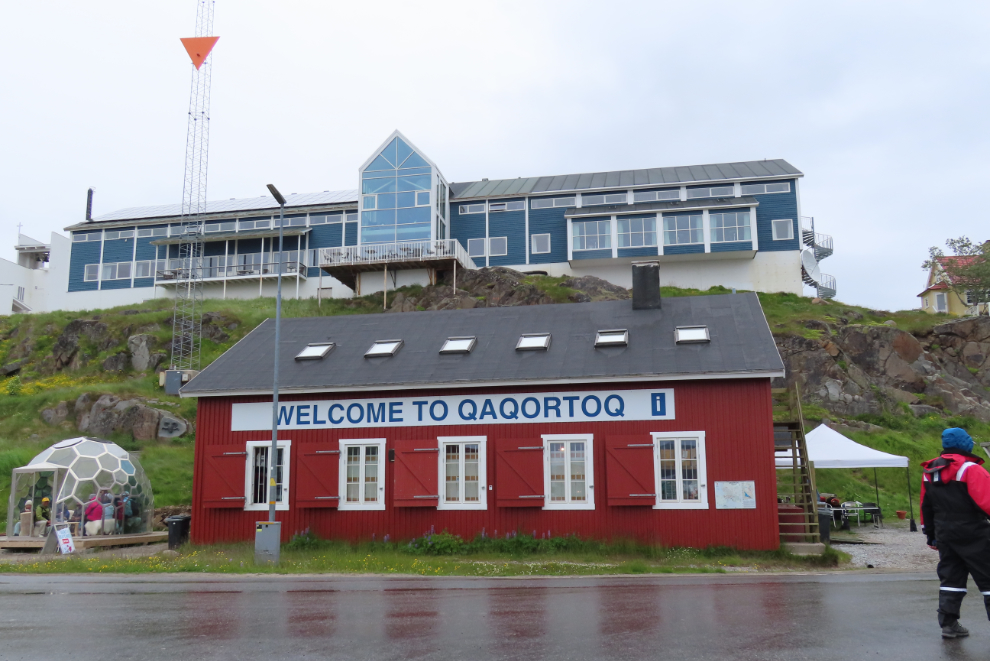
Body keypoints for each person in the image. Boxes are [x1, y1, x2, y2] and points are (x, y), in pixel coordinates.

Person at [920, 427, 990, 639]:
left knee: (951, 578)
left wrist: (931, 535)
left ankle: (949, 624)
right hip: (974, 531)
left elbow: (926, 506)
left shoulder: (930, 472)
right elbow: (987, 502)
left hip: (945, 534)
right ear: (964, 444)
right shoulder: (971, 469)